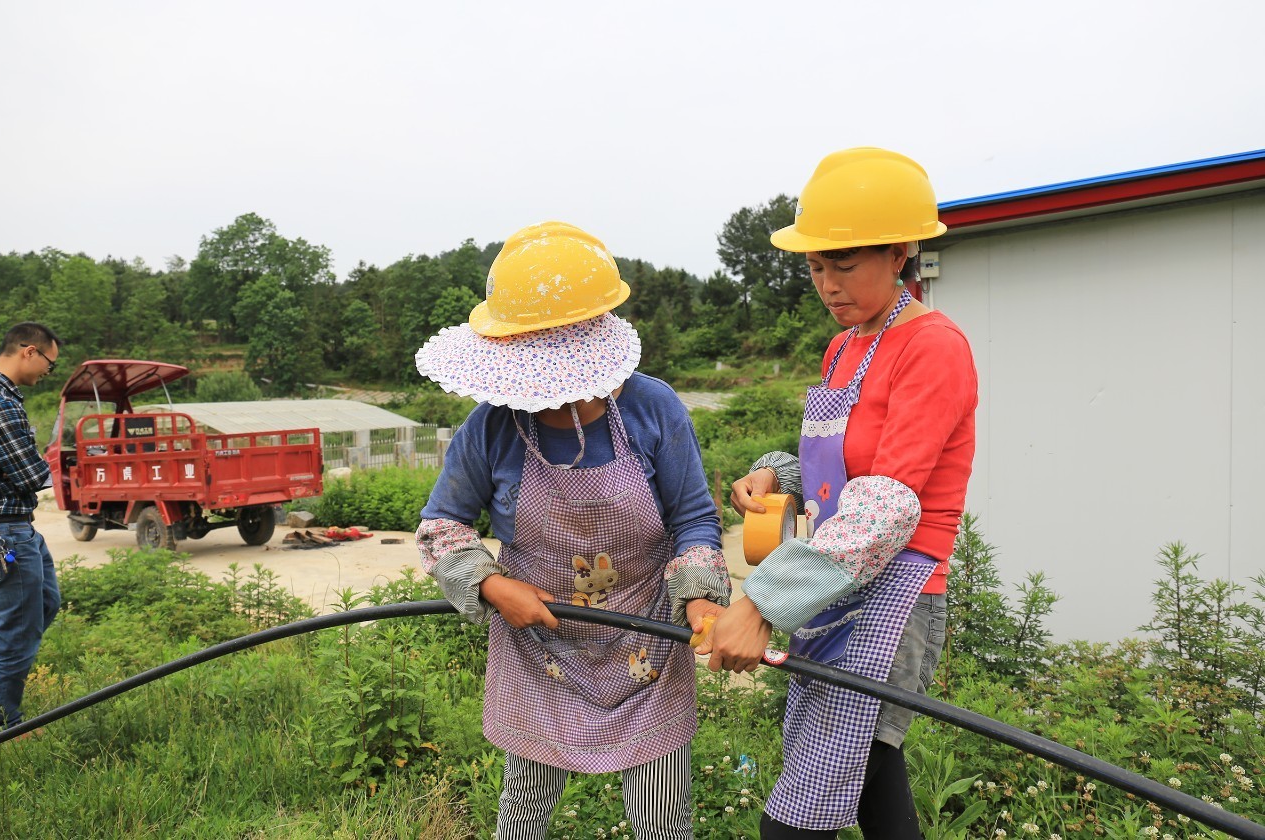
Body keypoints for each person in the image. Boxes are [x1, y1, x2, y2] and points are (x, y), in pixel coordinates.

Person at [414, 221, 730, 840]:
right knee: (524, 814)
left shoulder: (652, 409)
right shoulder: (491, 428)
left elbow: (694, 518)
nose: (550, 402)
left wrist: (697, 596)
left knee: (664, 820)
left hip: (646, 641)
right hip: (537, 646)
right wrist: (495, 589)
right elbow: (442, 527)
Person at [707, 148, 978, 839]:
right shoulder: (845, 347)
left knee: (797, 820)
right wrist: (778, 472)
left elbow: (884, 507)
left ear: (900, 252)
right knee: (873, 790)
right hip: (832, 586)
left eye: (845, 263)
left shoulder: (933, 347)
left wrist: (761, 603)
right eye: (815, 266)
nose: (827, 283)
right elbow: (839, 464)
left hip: (894, 595)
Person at [0, 322, 63, 734]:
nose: (47, 374)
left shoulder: (0, 395)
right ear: (29, 351)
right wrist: (53, 463)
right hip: (3, 532)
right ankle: (0, 726)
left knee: (45, 604)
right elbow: (30, 473)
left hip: (17, 527)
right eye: (49, 365)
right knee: (17, 628)